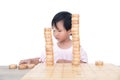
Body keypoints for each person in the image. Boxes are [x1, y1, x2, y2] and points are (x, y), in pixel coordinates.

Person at [19, 11, 88, 65]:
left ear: (70, 31)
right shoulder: (52, 48)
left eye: (59, 31)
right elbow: (42, 60)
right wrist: (31, 60)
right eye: (54, 30)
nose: (55, 34)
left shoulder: (77, 48)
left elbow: (84, 64)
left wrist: (66, 62)